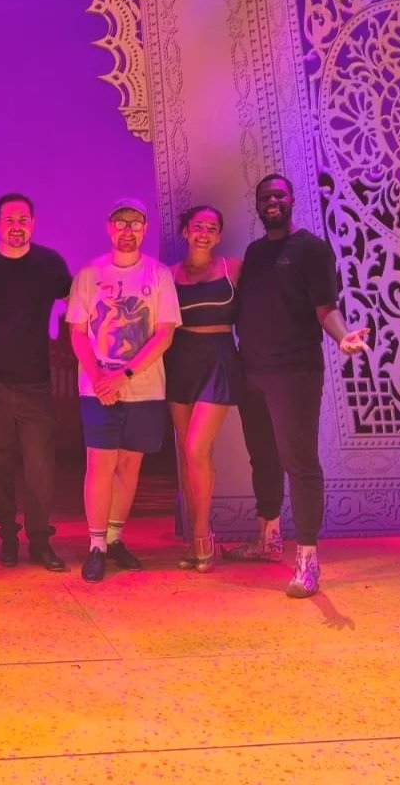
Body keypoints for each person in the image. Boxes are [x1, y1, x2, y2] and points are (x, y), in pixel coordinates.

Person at [221, 174, 369, 597]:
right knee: (263, 459)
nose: (272, 201)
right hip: (252, 371)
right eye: (265, 196)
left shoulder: (312, 250)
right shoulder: (255, 252)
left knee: (300, 463)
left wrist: (342, 337)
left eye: (279, 195)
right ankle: (267, 539)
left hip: (294, 373)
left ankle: (307, 560)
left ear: (291, 201)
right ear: (257, 204)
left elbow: (326, 309)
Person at [0, 193, 73, 571]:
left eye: (23, 220)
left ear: (33, 224)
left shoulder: (49, 264)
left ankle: (40, 541)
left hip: (35, 383)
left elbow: (78, 301)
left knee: (40, 467)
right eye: (9, 220)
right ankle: (7, 536)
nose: (16, 226)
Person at [67, 198, 180, 582]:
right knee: (100, 465)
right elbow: (78, 333)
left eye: (135, 223)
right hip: (97, 389)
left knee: (130, 466)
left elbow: (164, 334)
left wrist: (124, 376)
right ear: (109, 228)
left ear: (144, 229)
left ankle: (115, 538)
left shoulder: (158, 274)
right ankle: (96, 544)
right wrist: (100, 377)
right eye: (120, 223)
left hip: (144, 389)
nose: (127, 230)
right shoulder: (89, 274)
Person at [165, 205, 241, 573]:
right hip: (180, 361)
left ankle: (201, 533)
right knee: (187, 452)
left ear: (219, 235)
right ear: (186, 231)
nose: (204, 233)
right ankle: (198, 531)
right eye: (198, 226)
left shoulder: (233, 268)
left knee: (197, 447)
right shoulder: (169, 275)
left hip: (219, 360)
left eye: (212, 227)